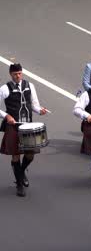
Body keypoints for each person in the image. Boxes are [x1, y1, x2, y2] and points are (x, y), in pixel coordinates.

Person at [0, 63, 48, 197]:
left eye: (20, 73)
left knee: (30, 155)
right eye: (15, 74)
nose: (18, 76)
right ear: (10, 74)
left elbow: (34, 105)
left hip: (27, 126)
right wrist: (6, 115)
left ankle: (20, 172)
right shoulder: (4, 88)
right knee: (16, 154)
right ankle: (20, 185)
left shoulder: (30, 86)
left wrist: (40, 110)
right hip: (14, 126)